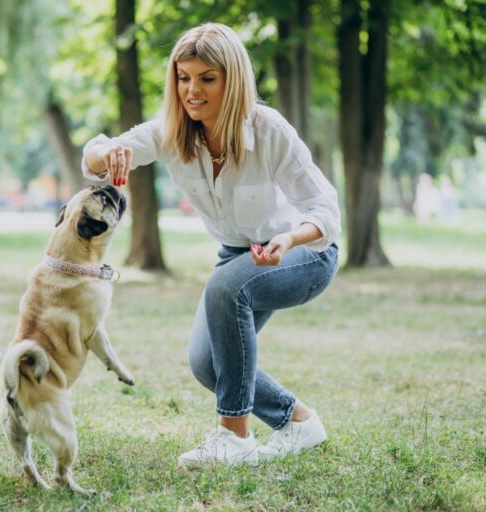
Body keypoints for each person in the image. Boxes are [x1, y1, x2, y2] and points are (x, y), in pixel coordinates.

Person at [81, 23, 341, 467]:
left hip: (305, 254)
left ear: (232, 79)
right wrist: (105, 154)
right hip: (237, 256)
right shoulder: (172, 131)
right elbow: (96, 157)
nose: (191, 90)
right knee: (207, 364)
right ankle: (298, 422)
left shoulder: (268, 129)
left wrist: (289, 238)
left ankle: (233, 438)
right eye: (183, 77)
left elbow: (325, 208)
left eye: (207, 78)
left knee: (226, 289)